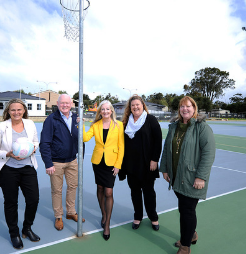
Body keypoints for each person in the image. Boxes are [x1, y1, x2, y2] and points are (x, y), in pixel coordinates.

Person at [160, 96, 216, 254]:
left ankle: (185, 246)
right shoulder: (174, 127)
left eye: (188, 106)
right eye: (182, 106)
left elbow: (208, 153)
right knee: (184, 208)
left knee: (187, 210)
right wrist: (164, 169)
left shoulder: (202, 127)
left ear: (194, 108)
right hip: (176, 176)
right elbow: (166, 149)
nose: (185, 109)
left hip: (192, 177)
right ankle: (191, 235)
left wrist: (201, 177)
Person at [0, 99, 40, 250]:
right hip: (8, 169)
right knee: (11, 202)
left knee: (33, 200)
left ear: (24, 110)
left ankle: (27, 228)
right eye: (13, 110)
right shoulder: (1, 127)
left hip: (27, 167)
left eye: (19, 110)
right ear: (8, 111)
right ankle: (14, 234)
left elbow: (36, 142)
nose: (16, 113)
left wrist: (32, 148)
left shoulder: (30, 124)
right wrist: (8, 154)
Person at [39, 94, 85, 231]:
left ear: (71, 104)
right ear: (57, 104)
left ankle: (71, 212)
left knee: (73, 186)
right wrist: (48, 163)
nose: (65, 105)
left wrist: (80, 158)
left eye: (67, 103)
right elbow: (45, 143)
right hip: (56, 162)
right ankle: (58, 216)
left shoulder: (76, 118)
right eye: (62, 103)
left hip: (72, 160)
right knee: (57, 190)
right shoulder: (51, 119)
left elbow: (80, 138)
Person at [82, 100, 124, 241]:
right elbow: (85, 138)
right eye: (103, 109)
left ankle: (107, 225)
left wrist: (118, 165)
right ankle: (104, 214)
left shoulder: (119, 125)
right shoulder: (95, 125)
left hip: (112, 163)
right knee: (100, 188)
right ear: (100, 112)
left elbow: (121, 147)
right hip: (98, 162)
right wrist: (81, 124)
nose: (105, 111)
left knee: (108, 191)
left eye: (108, 109)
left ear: (111, 111)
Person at [119, 94, 162, 231]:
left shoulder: (150, 120)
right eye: (133, 105)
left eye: (138, 104)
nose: (135, 107)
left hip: (147, 164)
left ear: (143, 105)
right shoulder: (126, 122)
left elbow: (158, 141)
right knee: (135, 192)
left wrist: (155, 159)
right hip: (131, 164)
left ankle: (153, 217)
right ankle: (137, 216)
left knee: (149, 192)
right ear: (130, 108)